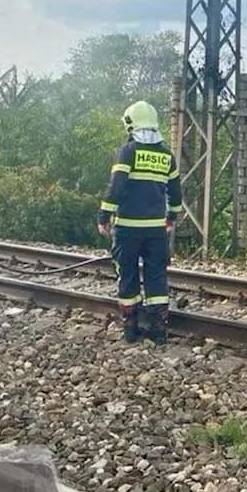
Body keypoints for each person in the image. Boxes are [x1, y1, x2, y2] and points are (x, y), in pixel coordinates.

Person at [96, 100, 183, 344]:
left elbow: (116, 187)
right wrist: (171, 216)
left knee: (128, 274)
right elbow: (175, 193)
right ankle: (158, 330)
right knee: (156, 276)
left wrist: (104, 216)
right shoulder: (167, 156)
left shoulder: (128, 151)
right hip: (156, 230)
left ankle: (131, 329)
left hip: (127, 229)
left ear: (130, 124)